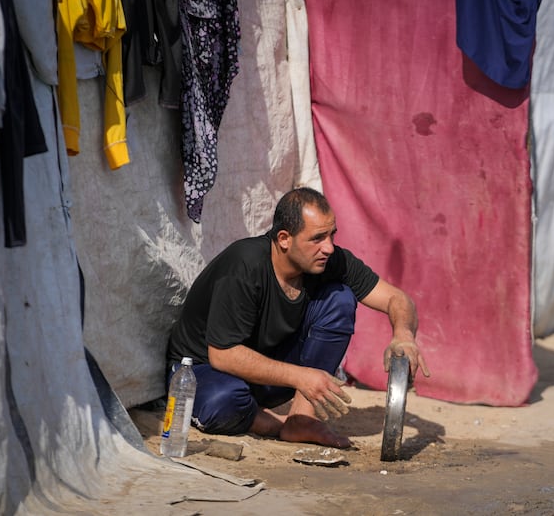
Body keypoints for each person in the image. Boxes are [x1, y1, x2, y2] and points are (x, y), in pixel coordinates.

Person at [166, 187, 430, 448]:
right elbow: (222, 354)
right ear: (284, 238)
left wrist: (404, 335)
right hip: (201, 370)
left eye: (331, 236)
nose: (328, 248)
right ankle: (274, 423)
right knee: (222, 402)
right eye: (317, 238)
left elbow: (397, 299)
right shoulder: (244, 265)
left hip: (264, 372)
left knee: (339, 299)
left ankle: (301, 419)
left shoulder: (329, 260)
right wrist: (301, 377)